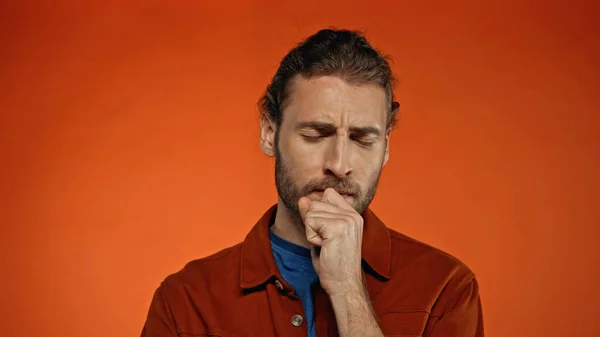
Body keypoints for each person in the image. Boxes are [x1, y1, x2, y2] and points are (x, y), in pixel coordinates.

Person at [140, 28, 484, 337]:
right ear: (269, 132)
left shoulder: (446, 289)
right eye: (316, 134)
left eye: (363, 139)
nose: (339, 164)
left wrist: (348, 290)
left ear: (387, 146)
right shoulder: (185, 300)